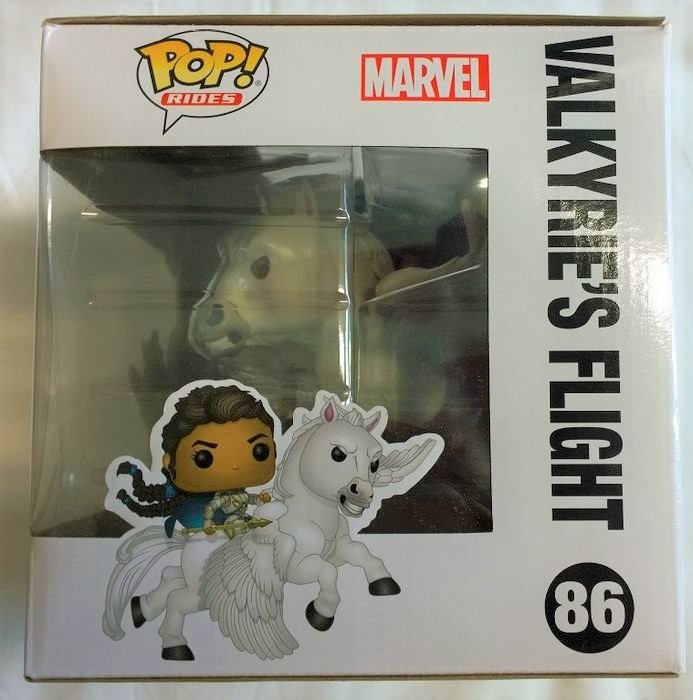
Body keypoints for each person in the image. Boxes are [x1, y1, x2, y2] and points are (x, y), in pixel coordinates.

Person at [116, 384, 275, 537]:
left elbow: (250, 499)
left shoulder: (237, 495)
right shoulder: (207, 501)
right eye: (203, 458)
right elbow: (211, 509)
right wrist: (208, 522)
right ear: (169, 462)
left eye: (260, 451)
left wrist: (260, 499)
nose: (235, 465)